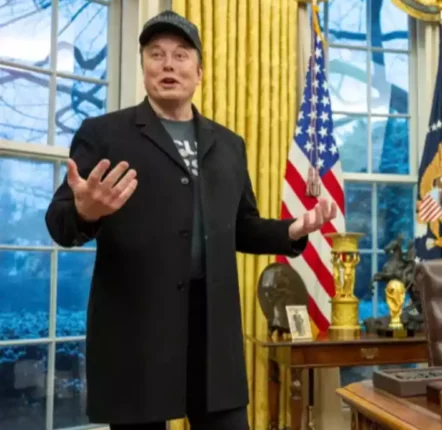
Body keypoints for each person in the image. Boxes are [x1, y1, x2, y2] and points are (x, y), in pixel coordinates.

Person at [44, 10, 335, 430]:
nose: (168, 64)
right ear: (144, 66)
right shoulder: (103, 134)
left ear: (198, 72)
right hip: (136, 333)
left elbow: (241, 226)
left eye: (181, 55)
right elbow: (59, 222)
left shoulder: (229, 145)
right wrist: (86, 212)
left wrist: (291, 230)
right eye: (156, 54)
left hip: (213, 332)